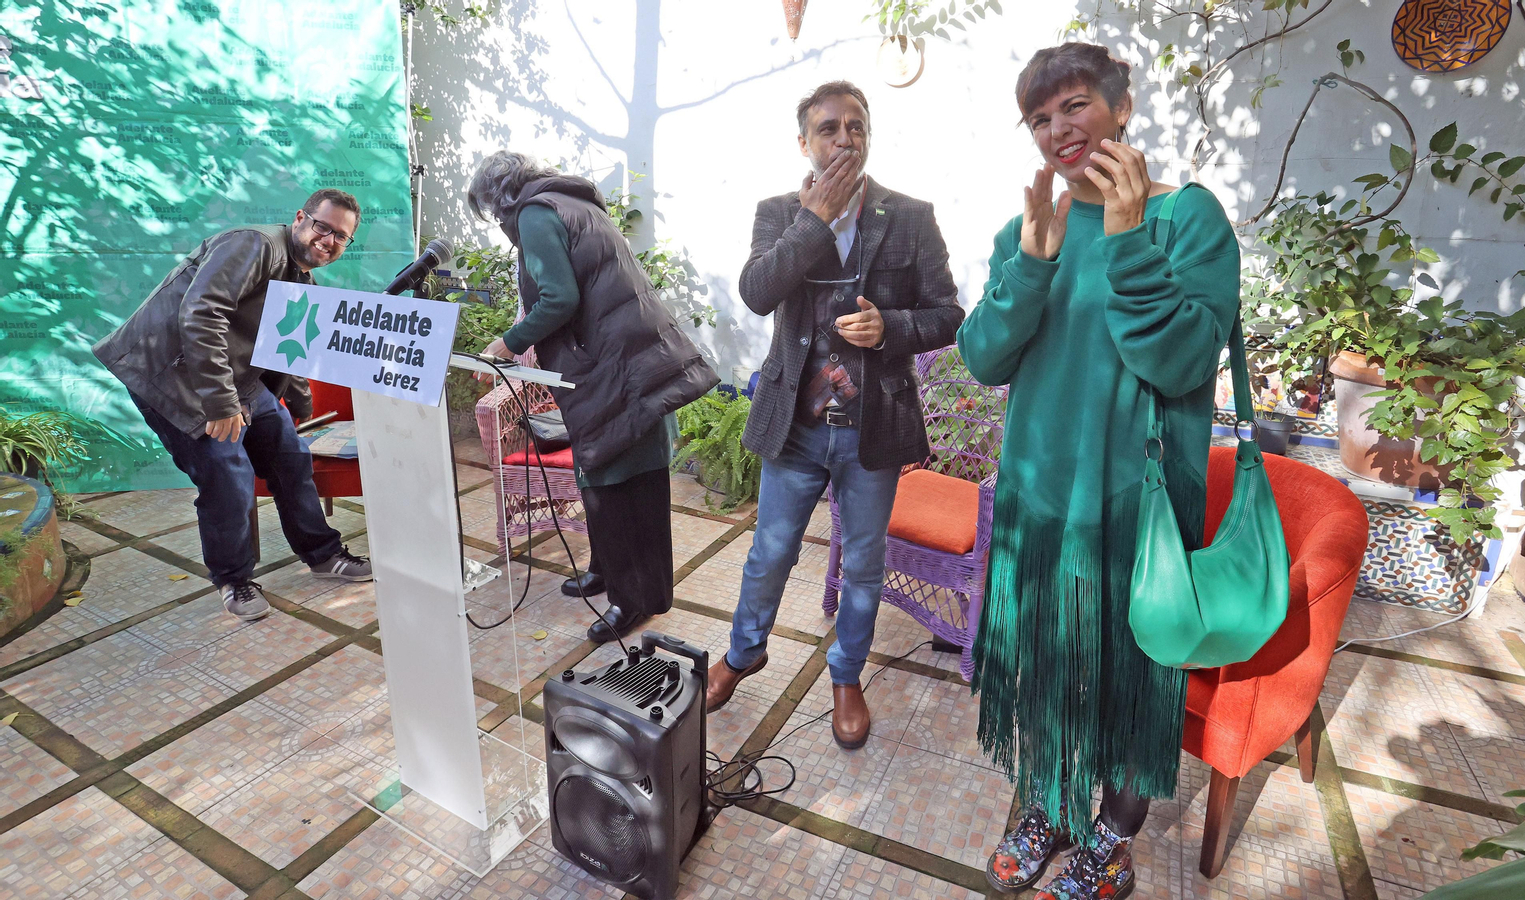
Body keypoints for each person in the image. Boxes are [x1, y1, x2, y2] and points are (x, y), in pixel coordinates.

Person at [959, 44, 1241, 899]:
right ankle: (1050, 808)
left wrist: (1126, 246)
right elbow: (983, 357)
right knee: (1046, 669)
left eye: (1075, 105)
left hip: (1138, 508)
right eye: (1040, 119)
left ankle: (1111, 842)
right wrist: (1032, 266)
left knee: (1128, 681)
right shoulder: (1029, 230)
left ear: (1122, 107)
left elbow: (1181, 361)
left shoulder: (1186, 219)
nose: (1058, 129)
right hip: (1040, 499)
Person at [705, 81, 963, 749]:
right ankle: (743, 653)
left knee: (865, 563)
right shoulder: (777, 213)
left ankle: (846, 674)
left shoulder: (910, 216)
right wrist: (814, 220)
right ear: (804, 143)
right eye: (828, 129)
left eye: (855, 126)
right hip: (795, 426)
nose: (844, 138)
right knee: (769, 553)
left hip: (872, 429)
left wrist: (891, 327)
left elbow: (948, 314)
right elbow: (758, 292)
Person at [468, 152, 717, 643]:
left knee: (618, 487)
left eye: (493, 212)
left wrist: (509, 343)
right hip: (625, 362)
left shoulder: (536, 213)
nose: (498, 223)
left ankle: (633, 600)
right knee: (603, 476)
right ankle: (606, 570)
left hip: (613, 369)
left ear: (501, 199)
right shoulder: (571, 203)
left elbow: (559, 298)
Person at [93, 190, 375, 622]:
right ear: (300, 218)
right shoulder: (254, 244)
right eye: (323, 226)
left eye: (341, 236)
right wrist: (222, 404)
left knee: (290, 456)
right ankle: (233, 579)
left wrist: (301, 408)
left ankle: (323, 554)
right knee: (228, 474)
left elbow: (290, 349)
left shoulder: (303, 281)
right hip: (171, 375)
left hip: (233, 378)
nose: (328, 240)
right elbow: (202, 313)